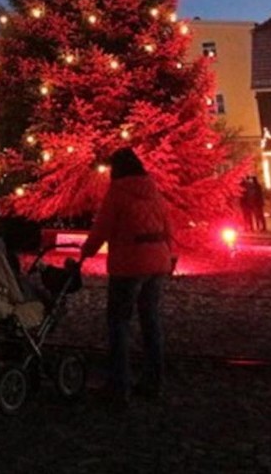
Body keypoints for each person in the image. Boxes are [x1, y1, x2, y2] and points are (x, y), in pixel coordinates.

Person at [80, 147, 173, 405]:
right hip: (157, 262)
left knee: (119, 323)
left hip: (129, 264)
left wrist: (86, 252)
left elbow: (103, 227)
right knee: (151, 322)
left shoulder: (118, 192)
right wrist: (170, 256)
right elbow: (168, 226)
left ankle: (119, 385)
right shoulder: (153, 190)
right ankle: (154, 381)